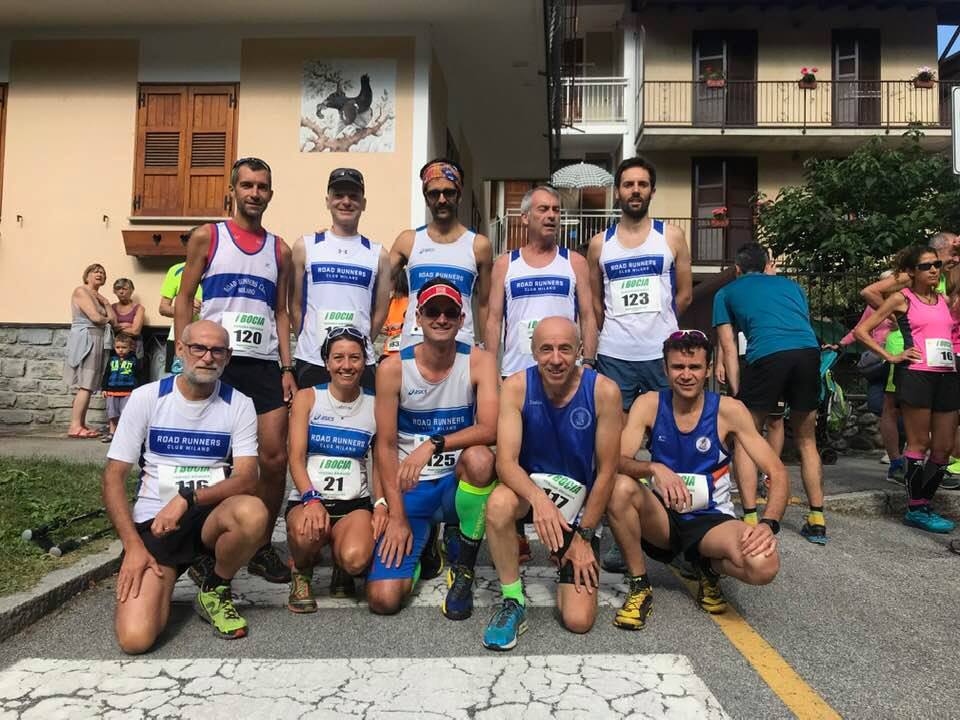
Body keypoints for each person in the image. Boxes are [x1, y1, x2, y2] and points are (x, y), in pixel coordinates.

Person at [103, 320, 268, 653]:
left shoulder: (240, 404)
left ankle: (215, 586)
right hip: (157, 522)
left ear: (228, 357)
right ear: (180, 349)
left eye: (217, 351)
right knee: (136, 639)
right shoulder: (146, 398)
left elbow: (249, 478)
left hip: (210, 516)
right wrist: (133, 546)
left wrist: (187, 498)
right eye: (198, 348)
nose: (207, 358)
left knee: (253, 512)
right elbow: (113, 477)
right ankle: (175, 568)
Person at [607, 330, 786, 630]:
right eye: (678, 367)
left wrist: (768, 524)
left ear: (707, 369)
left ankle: (708, 568)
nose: (686, 375)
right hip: (662, 519)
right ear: (665, 369)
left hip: (711, 521)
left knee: (763, 566)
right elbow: (617, 462)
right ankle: (640, 585)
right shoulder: (649, 404)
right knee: (618, 488)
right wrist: (653, 469)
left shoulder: (729, 410)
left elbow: (777, 471)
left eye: (694, 367)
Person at [175, 157, 296, 584]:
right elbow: (185, 295)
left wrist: (286, 365)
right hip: (214, 361)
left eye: (262, 186)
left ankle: (261, 545)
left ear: (270, 193)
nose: (254, 193)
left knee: (273, 457)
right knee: (214, 456)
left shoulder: (279, 249)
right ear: (233, 190)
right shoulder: (209, 236)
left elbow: (281, 311)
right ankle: (203, 543)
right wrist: (182, 351)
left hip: (262, 364)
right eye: (247, 185)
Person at [481, 317, 622, 650]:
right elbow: (505, 463)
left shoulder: (604, 391)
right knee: (499, 503)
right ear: (533, 352)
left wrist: (583, 537)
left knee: (578, 621)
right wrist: (540, 501)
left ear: (580, 351)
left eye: (565, 349)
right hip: (531, 499)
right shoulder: (516, 387)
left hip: (578, 509)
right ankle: (513, 601)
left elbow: (606, 471)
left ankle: (571, 549)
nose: (556, 359)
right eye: (546, 349)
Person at [368, 278, 499, 618]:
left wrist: (434, 444)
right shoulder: (393, 368)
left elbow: (490, 428)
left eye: (450, 312)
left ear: (461, 319)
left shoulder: (479, 361)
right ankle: (423, 544)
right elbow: (384, 445)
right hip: (411, 483)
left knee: (482, 459)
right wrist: (394, 515)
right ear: (418, 316)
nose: (441, 319)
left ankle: (462, 557)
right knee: (384, 600)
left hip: (456, 480)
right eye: (433, 312)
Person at [713, 242, 827, 545]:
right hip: (807, 352)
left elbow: (728, 347)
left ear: (737, 269)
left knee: (746, 436)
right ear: (767, 265)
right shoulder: (792, 286)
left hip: (767, 354)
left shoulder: (725, 293)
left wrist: (737, 394)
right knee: (806, 439)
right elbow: (797, 322)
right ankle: (817, 519)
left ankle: (750, 515)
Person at [854, 245, 959, 533]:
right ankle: (918, 507)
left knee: (944, 447)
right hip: (916, 374)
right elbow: (862, 331)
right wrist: (890, 356)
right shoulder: (902, 299)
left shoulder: (943, 298)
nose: (934, 270)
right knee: (919, 444)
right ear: (911, 272)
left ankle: (923, 501)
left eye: (936, 264)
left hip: (946, 374)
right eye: (926, 266)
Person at [587, 156, 693, 412]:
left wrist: (663, 321)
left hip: (662, 353)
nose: (635, 190)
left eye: (642, 184)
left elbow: (686, 294)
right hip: (614, 355)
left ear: (652, 191)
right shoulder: (599, 244)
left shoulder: (672, 236)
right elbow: (595, 302)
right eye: (628, 184)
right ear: (617, 192)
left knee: (666, 430)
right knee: (614, 435)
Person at [286, 326, 381, 611]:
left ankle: (342, 564)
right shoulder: (308, 398)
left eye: (354, 357)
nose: (347, 365)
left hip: (354, 504)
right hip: (310, 500)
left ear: (364, 362)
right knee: (306, 532)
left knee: (356, 559)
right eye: (338, 357)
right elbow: (295, 457)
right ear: (327, 363)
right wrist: (310, 498)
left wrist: (381, 503)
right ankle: (301, 571)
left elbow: (381, 459)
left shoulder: (376, 405)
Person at [290, 168, 392, 390]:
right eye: (338, 195)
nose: (346, 202)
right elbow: (295, 306)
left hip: (357, 362)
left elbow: (381, 311)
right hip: (313, 360)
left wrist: (361, 339)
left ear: (363, 203)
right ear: (327, 201)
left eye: (353, 196)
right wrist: (309, 339)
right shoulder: (305, 246)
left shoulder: (378, 254)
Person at [484, 185, 597, 377]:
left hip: (564, 372)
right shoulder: (505, 264)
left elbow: (587, 317)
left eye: (556, 209)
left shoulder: (576, 262)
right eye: (543, 209)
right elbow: (494, 322)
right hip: (516, 372)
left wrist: (588, 363)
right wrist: (490, 372)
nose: (552, 215)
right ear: (525, 217)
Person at [389, 159, 493, 350]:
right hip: (414, 346)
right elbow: (375, 284)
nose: (442, 199)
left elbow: (485, 305)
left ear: (459, 195)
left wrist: (488, 354)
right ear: (426, 198)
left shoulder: (479, 245)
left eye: (449, 192)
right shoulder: (408, 240)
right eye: (434, 193)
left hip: (461, 348)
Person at [64, 263, 117, 438]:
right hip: (88, 338)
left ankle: (80, 423)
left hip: (99, 339)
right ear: (87, 276)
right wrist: (106, 319)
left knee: (90, 385)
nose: (100, 274)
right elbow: (95, 317)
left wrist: (107, 304)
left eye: (103, 272)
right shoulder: (81, 291)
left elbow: (113, 322)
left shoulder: (101, 297)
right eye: (95, 271)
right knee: (86, 385)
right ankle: (74, 426)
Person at [158, 254, 203, 374]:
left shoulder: (217, 270)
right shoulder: (176, 270)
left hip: (207, 339)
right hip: (178, 337)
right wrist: (184, 308)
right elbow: (163, 308)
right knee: (174, 384)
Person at [100, 332, 143, 442]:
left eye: (124, 347)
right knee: (112, 414)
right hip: (112, 392)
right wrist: (104, 388)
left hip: (128, 392)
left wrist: (137, 390)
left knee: (126, 414)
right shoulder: (112, 360)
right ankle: (112, 433)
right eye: (118, 347)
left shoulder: (133, 360)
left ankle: (125, 434)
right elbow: (106, 374)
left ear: (130, 348)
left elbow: (138, 375)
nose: (120, 350)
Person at [380, 262, 408, 359]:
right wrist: (384, 328)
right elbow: (386, 324)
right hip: (388, 351)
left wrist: (400, 325)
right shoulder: (390, 301)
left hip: (404, 350)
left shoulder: (411, 301)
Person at [111, 278, 145, 358]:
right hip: (115, 348)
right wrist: (127, 326)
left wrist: (118, 327)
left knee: (134, 369)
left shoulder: (139, 308)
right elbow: (111, 328)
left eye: (124, 289)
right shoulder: (111, 307)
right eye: (118, 289)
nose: (121, 292)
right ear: (115, 292)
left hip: (133, 348)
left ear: (131, 290)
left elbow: (135, 331)